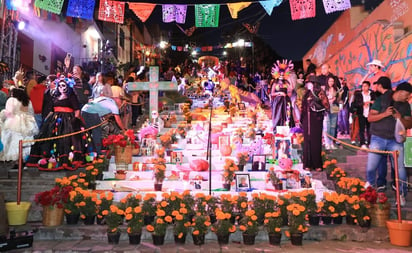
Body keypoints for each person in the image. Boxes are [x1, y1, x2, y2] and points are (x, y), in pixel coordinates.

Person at [26, 77, 92, 171]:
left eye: (63, 85)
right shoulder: (55, 96)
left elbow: (77, 110)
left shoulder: (71, 96)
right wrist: (46, 120)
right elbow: (52, 109)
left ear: (68, 86)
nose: (61, 87)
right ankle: (49, 158)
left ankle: (66, 159)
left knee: (67, 139)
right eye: (59, 85)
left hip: (68, 121)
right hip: (54, 120)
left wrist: (75, 120)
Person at [366, 78, 412, 206]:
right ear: (401, 92)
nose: (408, 98)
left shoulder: (405, 106)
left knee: (400, 169)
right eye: (408, 95)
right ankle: (369, 191)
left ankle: (401, 194)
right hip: (378, 138)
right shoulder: (382, 99)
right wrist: (385, 114)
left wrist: (400, 118)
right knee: (371, 167)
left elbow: (410, 123)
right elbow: (370, 118)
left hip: (395, 141)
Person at [0, 88, 38, 163]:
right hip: (28, 121)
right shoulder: (28, 102)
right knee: (26, 140)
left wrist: (2, 114)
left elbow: (9, 113)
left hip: (14, 121)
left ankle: (13, 158)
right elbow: (31, 112)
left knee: (12, 140)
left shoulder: (13, 101)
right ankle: (24, 158)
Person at [301, 76, 329, 171]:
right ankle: (307, 164)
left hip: (316, 121)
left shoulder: (321, 93)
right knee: (307, 142)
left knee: (316, 141)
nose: (308, 84)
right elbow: (302, 107)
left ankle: (317, 164)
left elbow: (326, 105)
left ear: (314, 83)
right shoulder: (306, 93)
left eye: (310, 83)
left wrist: (315, 99)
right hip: (306, 121)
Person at [270, 60, 295, 134]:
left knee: (287, 115)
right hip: (278, 101)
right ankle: (278, 130)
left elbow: (291, 89)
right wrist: (280, 93)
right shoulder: (275, 83)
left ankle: (287, 129)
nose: (281, 75)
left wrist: (289, 80)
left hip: (286, 100)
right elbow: (272, 93)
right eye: (280, 73)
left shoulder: (286, 82)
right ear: (277, 74)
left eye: (283, 73)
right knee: (278, 115)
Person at [323, 76, 340, 150]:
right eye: (330, 81)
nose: (331, 83)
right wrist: (329, 99)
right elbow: (322, 99)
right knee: (327, 126)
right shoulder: (324, 89)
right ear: (327, 81)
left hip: (335, 107)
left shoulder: (336, 89)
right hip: (326, 107)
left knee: (333, 126)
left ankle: (331, 143)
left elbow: (339, 99)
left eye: (332, 81)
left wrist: (336, 98)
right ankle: (327, 143)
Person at [359, 81, 376, 148]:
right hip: (362, 114)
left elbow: (376, 102)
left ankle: (370, 142)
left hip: (370, 114)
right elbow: (356, 104)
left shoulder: (372, 94)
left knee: (370, 129)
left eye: (365, 86)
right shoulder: (359, 94)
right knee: (361, 129)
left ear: (369, 87)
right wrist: (363, 103)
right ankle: (362, 143)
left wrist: (370, 102)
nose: (364, 87)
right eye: (363, 86)